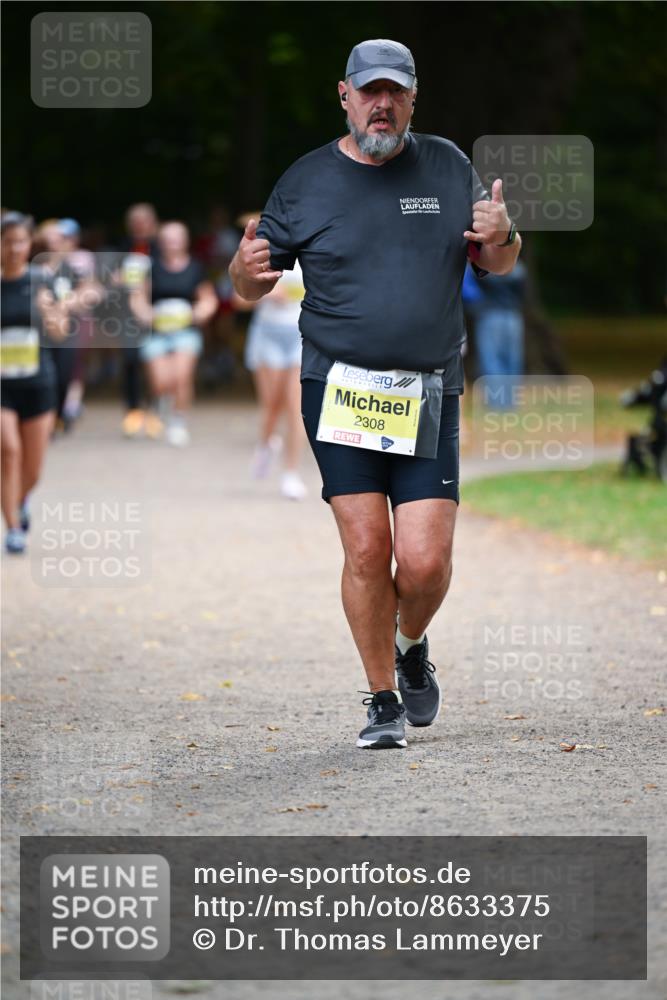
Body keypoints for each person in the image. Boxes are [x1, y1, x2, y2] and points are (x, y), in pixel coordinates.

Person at [230, 39, 521, 749]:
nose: (381, 104)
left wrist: (503, 234)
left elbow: (499, 263)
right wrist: (241, 271)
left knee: (423, 562)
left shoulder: (448, 164)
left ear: (413, 97)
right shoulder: (304, 182)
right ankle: (382, 698)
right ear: (344, 95)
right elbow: (250, 285)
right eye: (369, 91)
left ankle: (409, 639)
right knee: (366, 548)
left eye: (394, 92)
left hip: (427, 392)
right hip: (338, 389)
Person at [1, 212, 68, 553]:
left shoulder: (44, 279)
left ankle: (19, 498)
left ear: (30, 244)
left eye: (20, 241)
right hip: (2, 386)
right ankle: (13, 527)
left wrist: (48, 312)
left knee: (34, 469)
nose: (14, 248)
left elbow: (61, 331)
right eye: (7, 241)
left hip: (38, 382)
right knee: (8, 451)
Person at [129, 221, 218, 446]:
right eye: (168, 239)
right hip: (157, 332)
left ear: (185, 241)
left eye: (176, 238)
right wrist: (146, 314)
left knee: (181, 376)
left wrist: (199, 312)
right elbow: (138, 297)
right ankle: (161, 403)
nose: (172, 243)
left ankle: (178, 421)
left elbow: (208, 299)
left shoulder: (196, 268)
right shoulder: (151, 267)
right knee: (160, 381)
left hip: (185, 332)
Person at [234, 249, 308, 499]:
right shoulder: (264, 255)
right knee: (272, 405)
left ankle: (291, 473)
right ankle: (266, 444)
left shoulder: (316, 251)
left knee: (296, 407)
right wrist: (270, 294)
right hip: (268, 335)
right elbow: (239, 300)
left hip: (301, 336)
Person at [118, 203, 159, 438]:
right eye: (135, 221)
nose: (139, 225)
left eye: (144, 220)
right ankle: (133, 411)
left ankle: (154, 410)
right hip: (127, 315)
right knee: (130, 361)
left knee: (154, 363)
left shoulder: (161, 248)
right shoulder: (122, 248)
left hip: (156, 313)